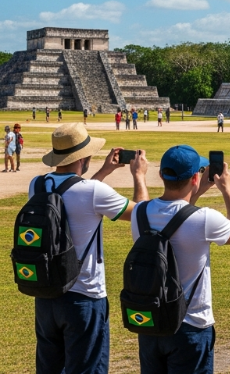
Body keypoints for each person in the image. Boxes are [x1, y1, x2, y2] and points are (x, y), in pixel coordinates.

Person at [31, 122, 145, 373]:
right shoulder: (93, 191)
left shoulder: (37, 185)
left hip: (46, 294)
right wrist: (139, 176)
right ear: (84, 156)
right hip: (84, 297)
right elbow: (142, 214)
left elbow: (73, 194)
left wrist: (103, 171)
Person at [133, 145, 230, 373]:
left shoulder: (139, 213)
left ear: (161, 175)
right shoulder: (204, 219)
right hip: (190, 324)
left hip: (151, 321)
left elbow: (175, 215)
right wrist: (226, 190)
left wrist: (196, 190)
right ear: (195, 177)